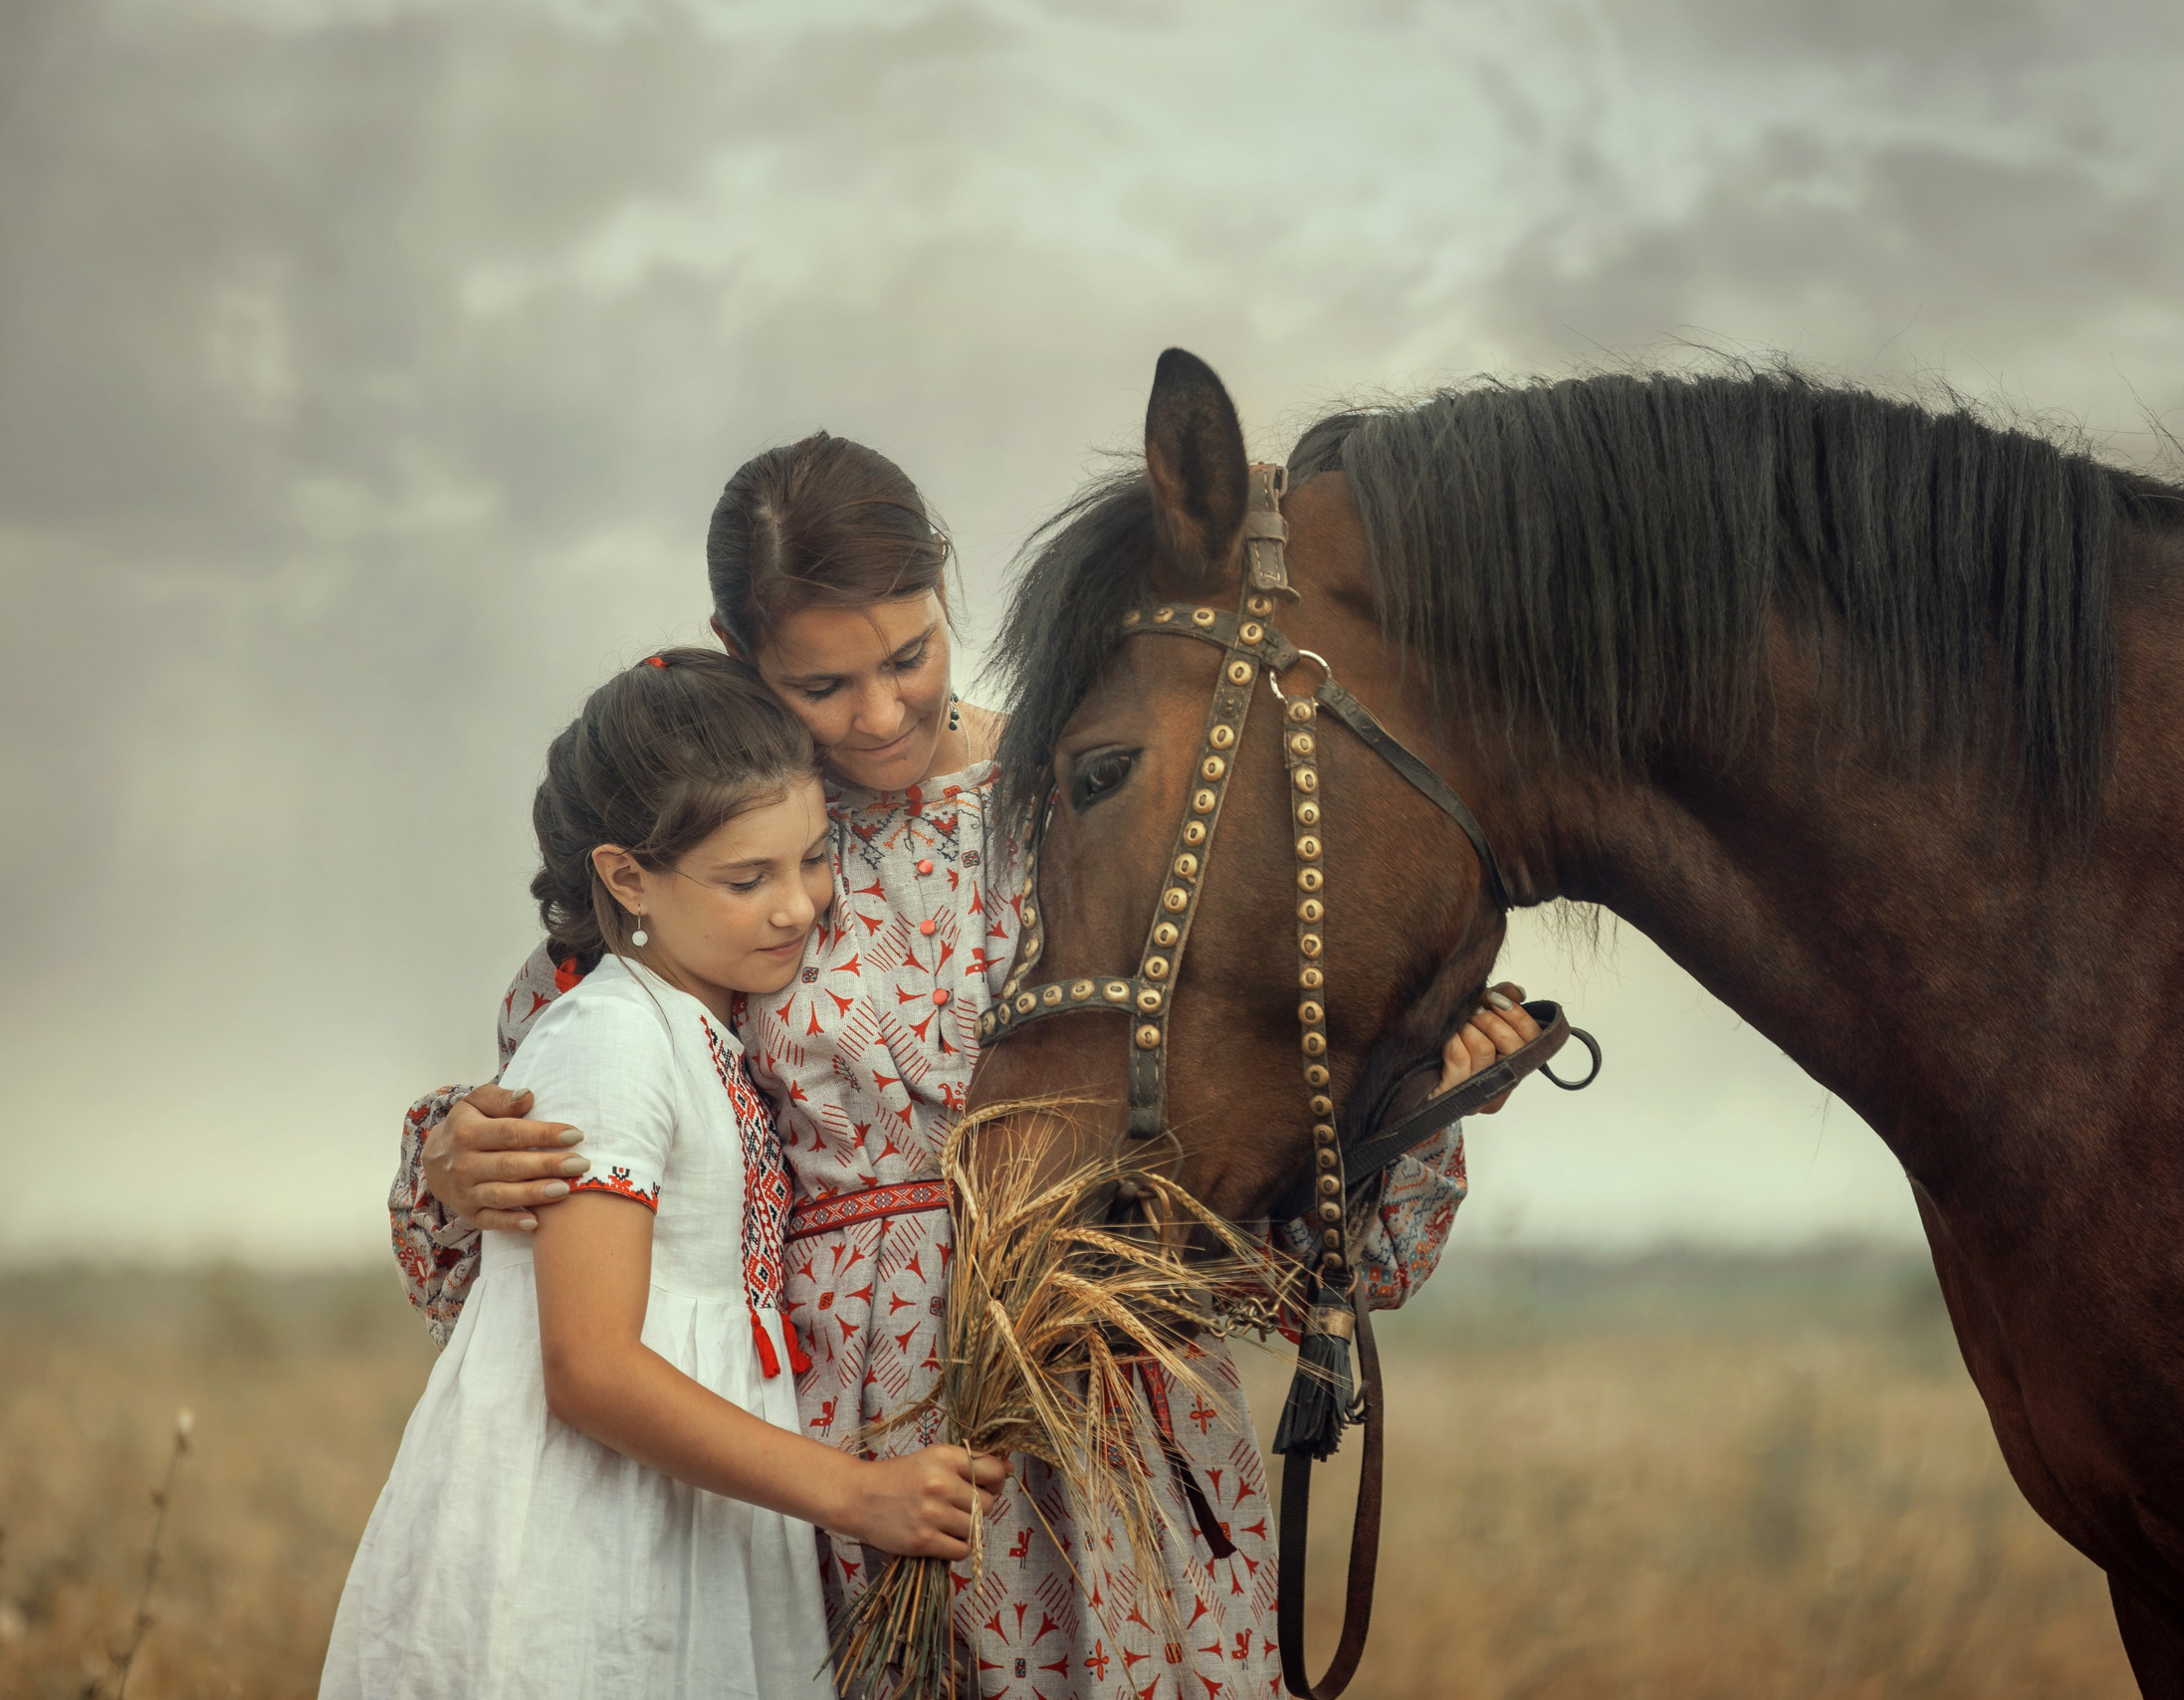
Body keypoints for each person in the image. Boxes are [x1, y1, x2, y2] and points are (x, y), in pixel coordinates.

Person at [386, 434, 1540, 1698]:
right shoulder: (721, 848)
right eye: (820, 685)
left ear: (945, 596)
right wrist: (458, 1149)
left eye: (907, 657)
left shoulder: (1088, 789)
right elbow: (578, 1052)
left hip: (1098, 1397)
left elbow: (1237, 1090)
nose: (878, 716)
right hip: (829, 1432)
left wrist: (1414, 1096)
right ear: (735, 647)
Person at [326, 650, 1004, 1699]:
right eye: (748, 879)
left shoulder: (701, 1028)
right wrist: (857, 1496)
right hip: (583, 1531)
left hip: (678, 1514)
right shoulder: (610, 1041)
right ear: (628, 877)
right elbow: (588, 1365)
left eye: (813, 859)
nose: (797, 907)